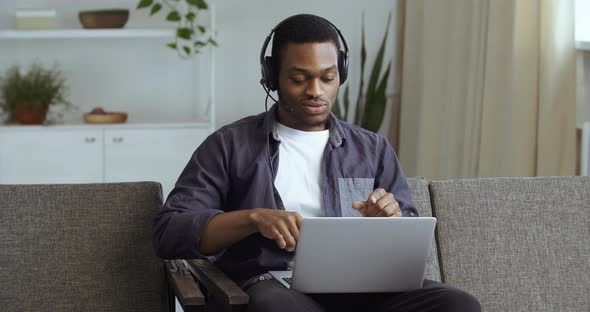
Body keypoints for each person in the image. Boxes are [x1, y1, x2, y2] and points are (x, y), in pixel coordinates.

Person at [153, 14, 481, 312]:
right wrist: (253, 218)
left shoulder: (372, 148)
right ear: (272, 77)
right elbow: (171, 231)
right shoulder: (229, 145)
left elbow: (411, 237)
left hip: (362, 287)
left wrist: (390, 220)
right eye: (299, 78)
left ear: (342, 74)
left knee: (458, 304)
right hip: (269, 285)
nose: (315, 91)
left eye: (328, 77)